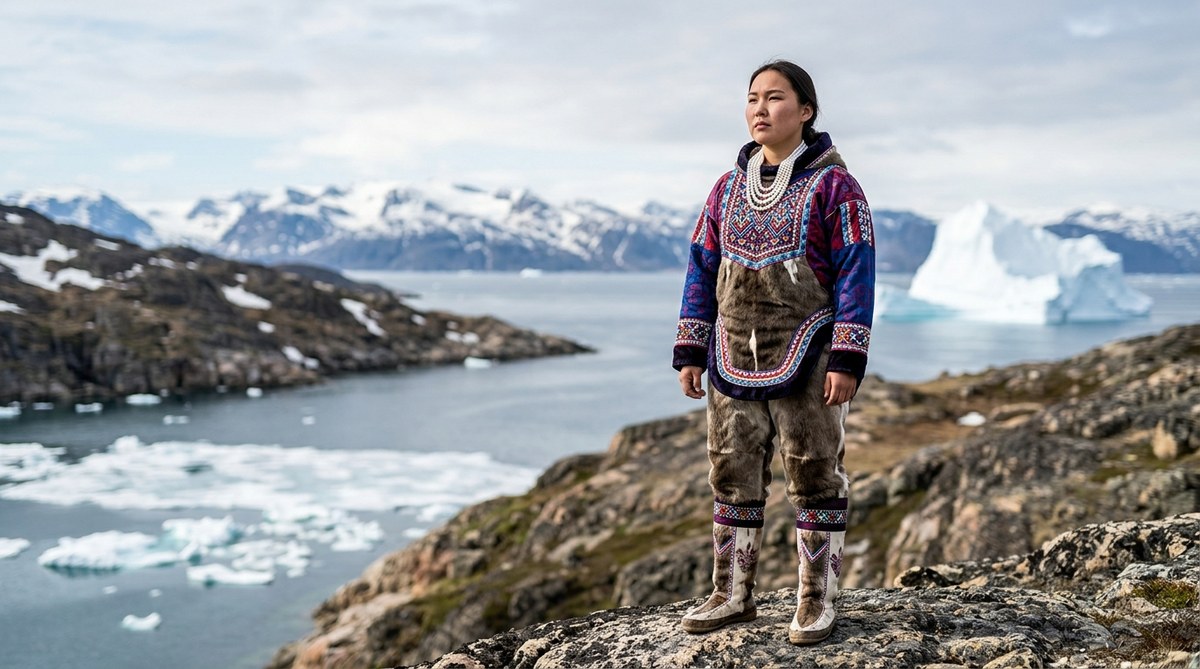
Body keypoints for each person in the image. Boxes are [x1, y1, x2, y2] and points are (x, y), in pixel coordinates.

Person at [672, 59, 875, 645]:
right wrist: (692, 346)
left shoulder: (837, 188)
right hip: (730, 351)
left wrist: (847, 356)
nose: (760, 109)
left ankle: (817, 599)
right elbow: (701, 267)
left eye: (776, 98)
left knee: (814, 473)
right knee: (730, 472)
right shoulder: (726, 188)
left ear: (806, 111)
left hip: (808, 348)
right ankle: (732, 594)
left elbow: (856, 273)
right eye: (753, 98)